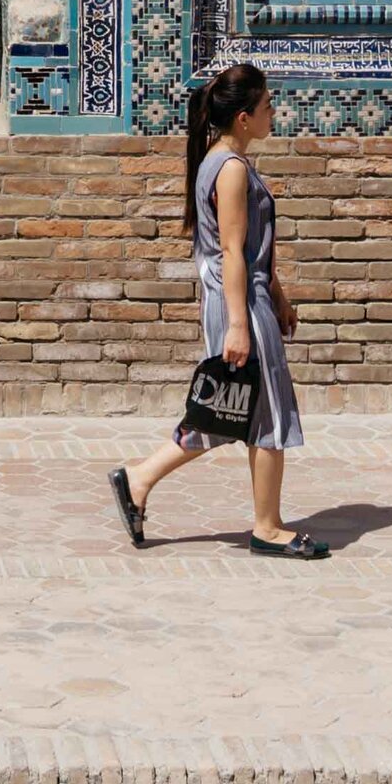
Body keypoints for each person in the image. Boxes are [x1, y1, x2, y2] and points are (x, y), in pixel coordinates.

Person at [108, 59, 328, 561]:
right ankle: (268, 528)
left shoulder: (226, 160)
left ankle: (138, 478)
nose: (275, 112)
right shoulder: (229, 169)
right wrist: (239, 324)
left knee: (231, 409)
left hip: (245, 298)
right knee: (267, 409)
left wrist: (278, 293)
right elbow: (231, 252)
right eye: (268, 106)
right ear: (244, 118)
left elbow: (249, 248)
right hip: (237, 305)